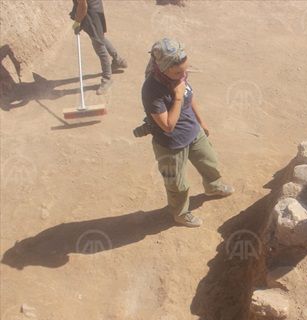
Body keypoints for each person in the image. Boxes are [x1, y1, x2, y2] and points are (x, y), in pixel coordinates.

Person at [141, 38, 234, 228]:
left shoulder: (177, 75)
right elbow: (168, 126)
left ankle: (213, 186)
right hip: (171, 144)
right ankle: (180, 214)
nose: (184, 74)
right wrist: (176, 95)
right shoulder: (151, 89)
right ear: (163, 69)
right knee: (177, 185)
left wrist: (202, 122)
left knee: (210, 162)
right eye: (178, 72)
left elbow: (189, 97)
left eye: (186, 69)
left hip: (193, 132)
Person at [70, 0, 127, 95]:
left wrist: (78, 21)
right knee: (100, 37)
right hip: (94, 7)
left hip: (91, 12)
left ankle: (107, 78)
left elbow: (83, 6)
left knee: (98, 45)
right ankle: (118, 60)